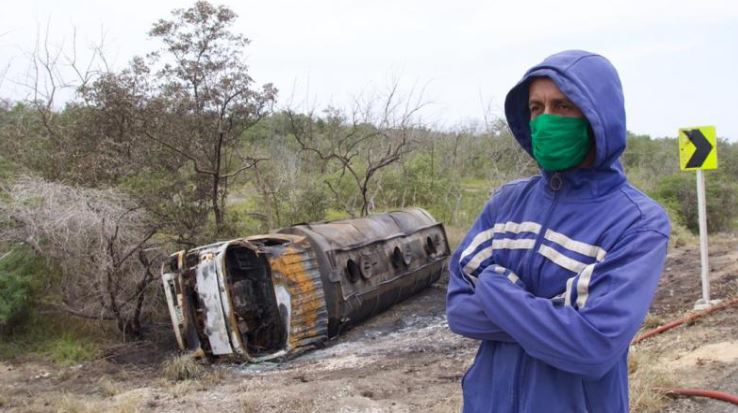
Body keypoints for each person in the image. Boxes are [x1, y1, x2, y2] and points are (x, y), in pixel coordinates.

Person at [446, 50, 670, 412]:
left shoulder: (637, 222)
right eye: (536, 108)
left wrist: (493, 285)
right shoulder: (505, 203)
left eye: (563, 106)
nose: (546, 120)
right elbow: (458, 310)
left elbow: (593, 347)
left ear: (598, 117)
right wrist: (554, 319)